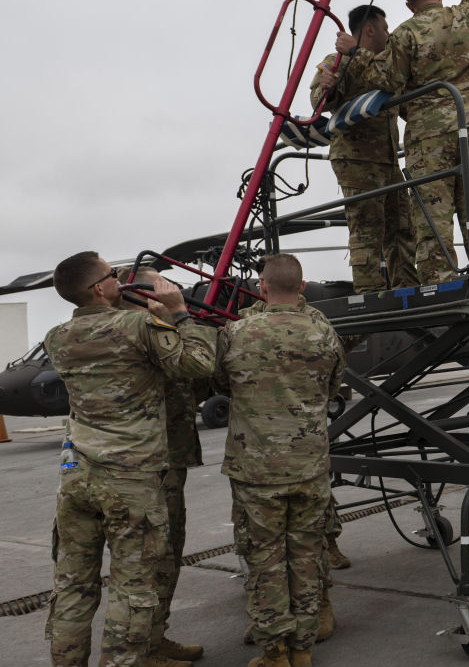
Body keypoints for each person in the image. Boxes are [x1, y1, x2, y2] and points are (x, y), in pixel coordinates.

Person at [43, 252, 216, 667]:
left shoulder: (56, 337)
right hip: (129, 478)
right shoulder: (139, 326)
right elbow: (199, 363)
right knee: (132, 588)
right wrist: (178, 313)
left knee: (72, 586)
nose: (118, 280)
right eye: (111, 275)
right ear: (100, 289)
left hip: (77, 476)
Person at [326, 0, 469, 288]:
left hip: (429, 135)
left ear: (409, 6)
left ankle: (439, 283)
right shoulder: (468, 16)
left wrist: (353, 54)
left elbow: (384, 79)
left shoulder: (405, 35)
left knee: (432, 216)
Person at [214, 255, 345, 667]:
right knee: (307, 557)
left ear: (262, 289)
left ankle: (276, 652)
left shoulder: (235, 333)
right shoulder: (324, 332)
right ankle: (303, 648)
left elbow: (219, 384)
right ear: (303, 288)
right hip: (309, 467)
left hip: (256, 472)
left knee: (264, 560)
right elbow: (334, 383)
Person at [118, 268, 211, 663]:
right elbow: (200, 368)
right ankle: (144, 647)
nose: (171, 291)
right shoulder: (147, 334)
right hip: (152, 464)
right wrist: (181, 315)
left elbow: (197, 387)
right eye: (160, 285)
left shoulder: (151, 332)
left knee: (164, 554)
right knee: (155, 559)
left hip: (163, 459)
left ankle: (154, 639)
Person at [310, 4, 417, 293]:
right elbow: (320, 101)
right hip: (357, 159)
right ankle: (369, 294)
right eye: (384, 27)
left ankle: (406, 287)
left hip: (388, 160)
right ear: (369, 29)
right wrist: (327, 86)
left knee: (402, 226)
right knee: (367, 229)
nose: (388, 33)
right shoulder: (338, 60)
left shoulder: (384, 66)